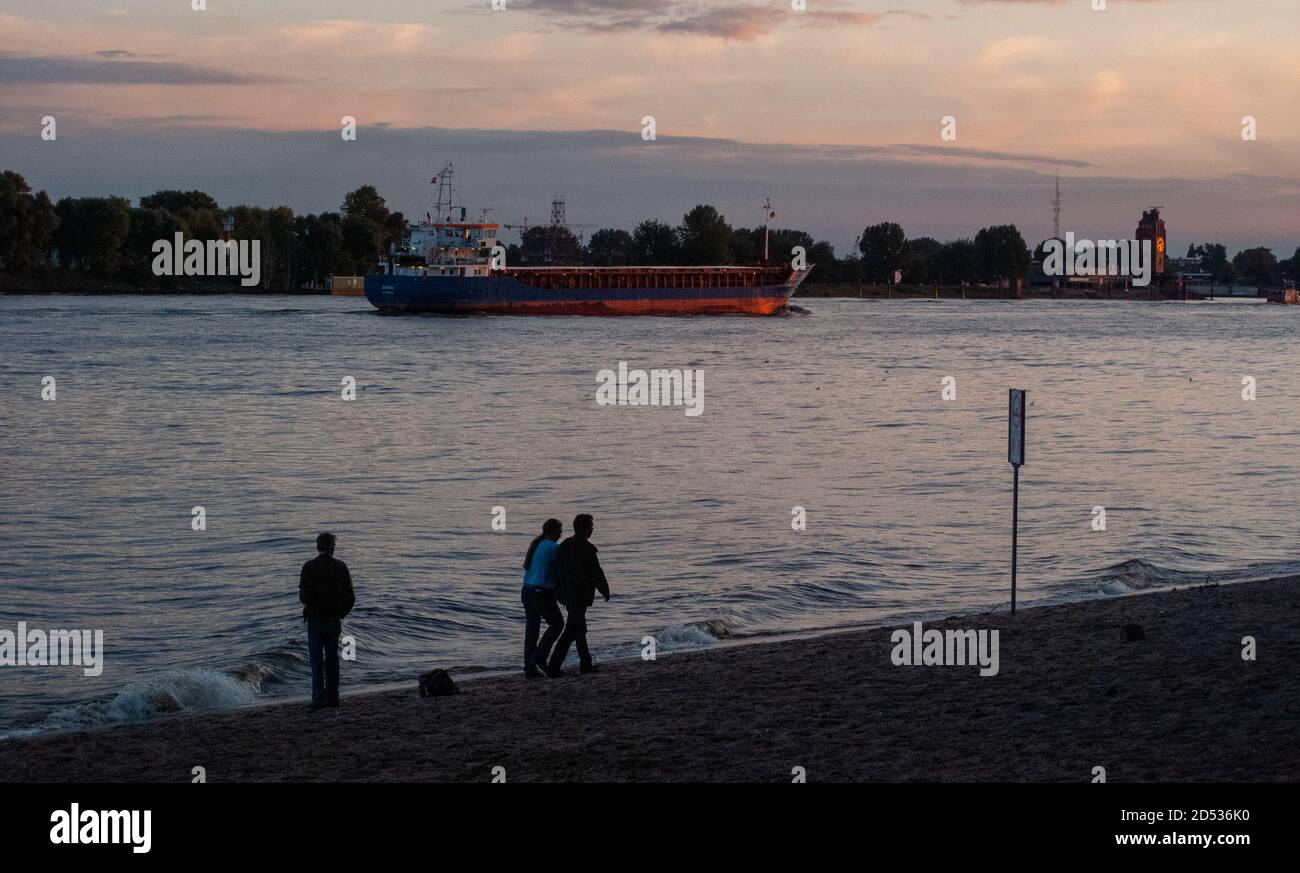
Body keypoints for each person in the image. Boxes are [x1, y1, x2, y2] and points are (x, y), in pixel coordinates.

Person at [546, 514, 610, 677]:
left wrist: (558, 592)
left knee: (579, 629)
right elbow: (596, 573)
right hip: (579, 596)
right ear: (586, 529)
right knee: (571, 631)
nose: (592, 530)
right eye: (591, 527)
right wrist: (605, 591)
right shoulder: (587, 549)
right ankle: (553, 666)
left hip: (567, 595)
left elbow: (556, 569)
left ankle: (586, 664)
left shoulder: (565, 545)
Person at [299, 532, 355, 709]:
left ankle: (318, 700)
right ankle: (333, 699)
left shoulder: (309, 566)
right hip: (333, 619)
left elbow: (303, 596)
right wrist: (340, 614)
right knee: (332, 661)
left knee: (316, 661)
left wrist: (312, 605)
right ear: (332, 547)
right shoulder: (340, 566)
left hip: (315, 619)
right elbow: (351, 597)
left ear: (317, 546)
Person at [521, 518, 565, 678]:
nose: (560, 535)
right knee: (557, 624)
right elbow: (561, 570)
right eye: (559, 532)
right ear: (552, 532)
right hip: (541, 593)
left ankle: (529, 669)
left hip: (526, 590)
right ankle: (539, 657)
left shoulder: (537, 544)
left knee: (531, 631)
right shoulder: (554, 548)